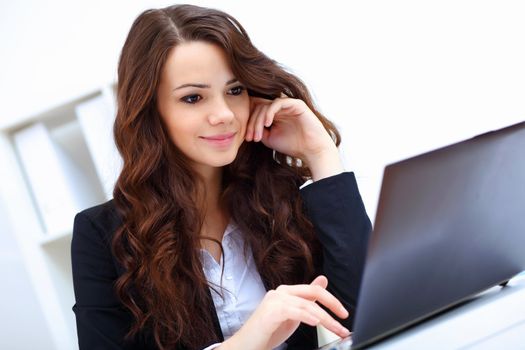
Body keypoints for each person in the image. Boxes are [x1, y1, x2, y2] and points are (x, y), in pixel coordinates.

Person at [71, 4, 371, 350]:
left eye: (235, 90)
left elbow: (363, 312)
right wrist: (248, 340)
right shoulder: (103, 236)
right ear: (151, 112)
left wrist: (320, 153)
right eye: (193, 97)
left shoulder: (278, 198)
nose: (224, 114)